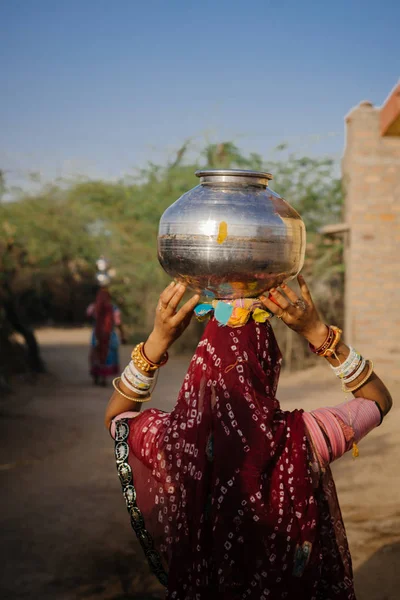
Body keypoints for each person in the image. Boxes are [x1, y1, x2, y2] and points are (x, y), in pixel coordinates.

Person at [105, 277, 392, 600]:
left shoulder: (171, 442)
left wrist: (158, 341)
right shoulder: (305, 437)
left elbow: (117, 416)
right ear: (268, 365)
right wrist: (318, 334)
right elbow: (377, 400)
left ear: (200, 367)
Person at [87, 286, 126, 386]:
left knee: (96, 354)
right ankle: (103, 378)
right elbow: (118, 323)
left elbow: (88, 315)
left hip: (96, 335)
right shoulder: (114, 309)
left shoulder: (93, 307)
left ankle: (96, 375)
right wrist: (122, 335)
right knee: (108, 355)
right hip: (110, 335)